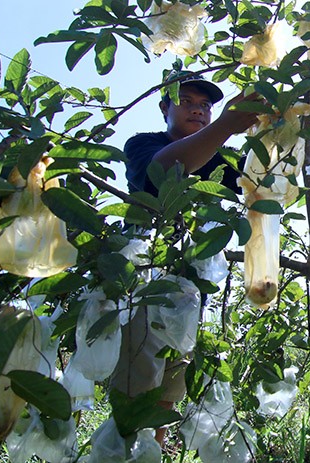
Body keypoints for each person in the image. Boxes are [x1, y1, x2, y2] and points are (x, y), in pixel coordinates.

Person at [111, 71, 261, 445]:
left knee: (168, 390)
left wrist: (283, 124)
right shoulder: (144, 144)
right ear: (165, 108)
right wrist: (226, 125)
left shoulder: (220, 160)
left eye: (205, 106)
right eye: (187, 102)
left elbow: (263, 180)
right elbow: (160, 174)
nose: (198, 110)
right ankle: (125, 450)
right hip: (146, 284)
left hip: (190, 293)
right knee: (137, 387)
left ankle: (152, 451)